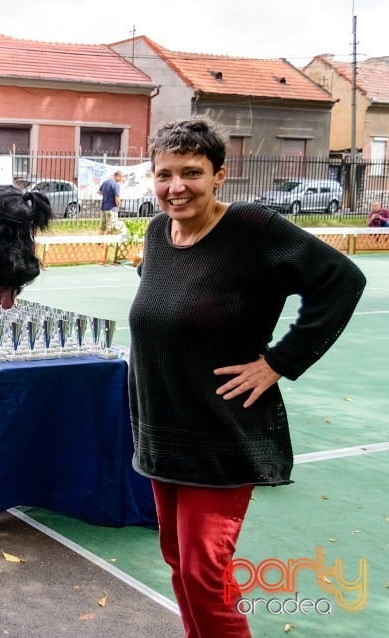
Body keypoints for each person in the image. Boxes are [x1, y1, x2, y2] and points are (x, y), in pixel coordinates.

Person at [127, 116, 366, 638]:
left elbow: (342, 280)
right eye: (164, 174)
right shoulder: (156, 233)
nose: (176, 187)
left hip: (223, 432)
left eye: (191, 172)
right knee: (177, 560)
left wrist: (280, 361)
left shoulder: (253, 230)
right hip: (162, 429)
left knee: (203, 572)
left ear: (221, 175)